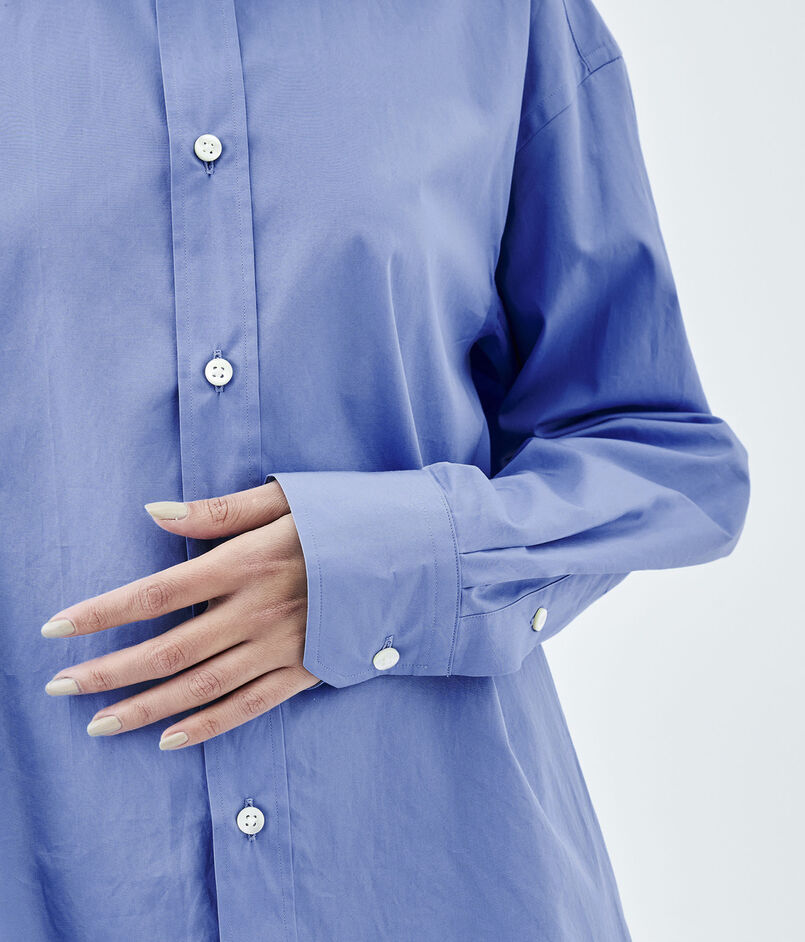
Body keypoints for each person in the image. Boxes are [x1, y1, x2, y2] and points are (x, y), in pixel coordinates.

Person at [0, 1, 750, 940]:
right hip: (61, 873)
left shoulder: (501, 20)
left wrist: (392, 564)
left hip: (442, 878)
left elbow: (661, 449)